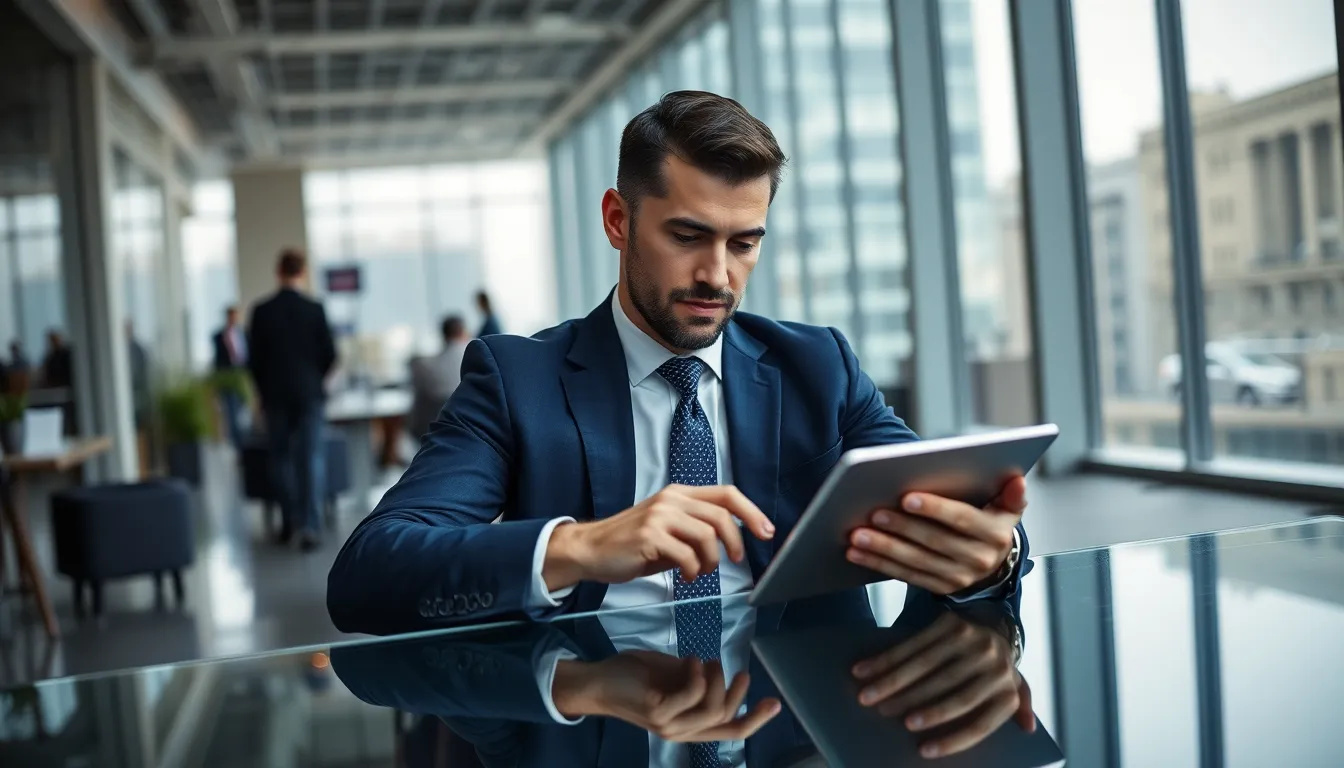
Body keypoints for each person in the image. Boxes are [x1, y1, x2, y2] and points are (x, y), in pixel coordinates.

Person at [328, 92, 1028, 766]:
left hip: (802, 718)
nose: (717, 275)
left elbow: (940, 499)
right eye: (688, 236)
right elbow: (369, 574)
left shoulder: (819, 367)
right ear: (617, 221)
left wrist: (988, 555)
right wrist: (578, 547)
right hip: (586, 715)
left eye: (744, 243)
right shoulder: (518, 381)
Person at [247, 249, 338, 551]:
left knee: (281, 458)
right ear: (303, 272)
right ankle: (310, 525)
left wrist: (262, 390)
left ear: (278, 271)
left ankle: (289, 522)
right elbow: (330, 355)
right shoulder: (315, 309)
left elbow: (254, 361)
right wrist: (314, 378)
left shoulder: (262, 311)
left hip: (274, 394)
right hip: (309, 393)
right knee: (311, 456)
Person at [407, 315, 471, 442]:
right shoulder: (478, 360)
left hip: (432, 433)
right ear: (464, 332)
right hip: (469, 433)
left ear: (443, 335)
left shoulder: (425, 366)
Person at [212, 306, 250, 448]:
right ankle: (238, 443)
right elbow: (217, 360)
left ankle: (244, 439)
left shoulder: (244, 334)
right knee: (231, 411)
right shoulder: (218, 336)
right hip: (228, 377)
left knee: (243, 409)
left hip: (242, 376)